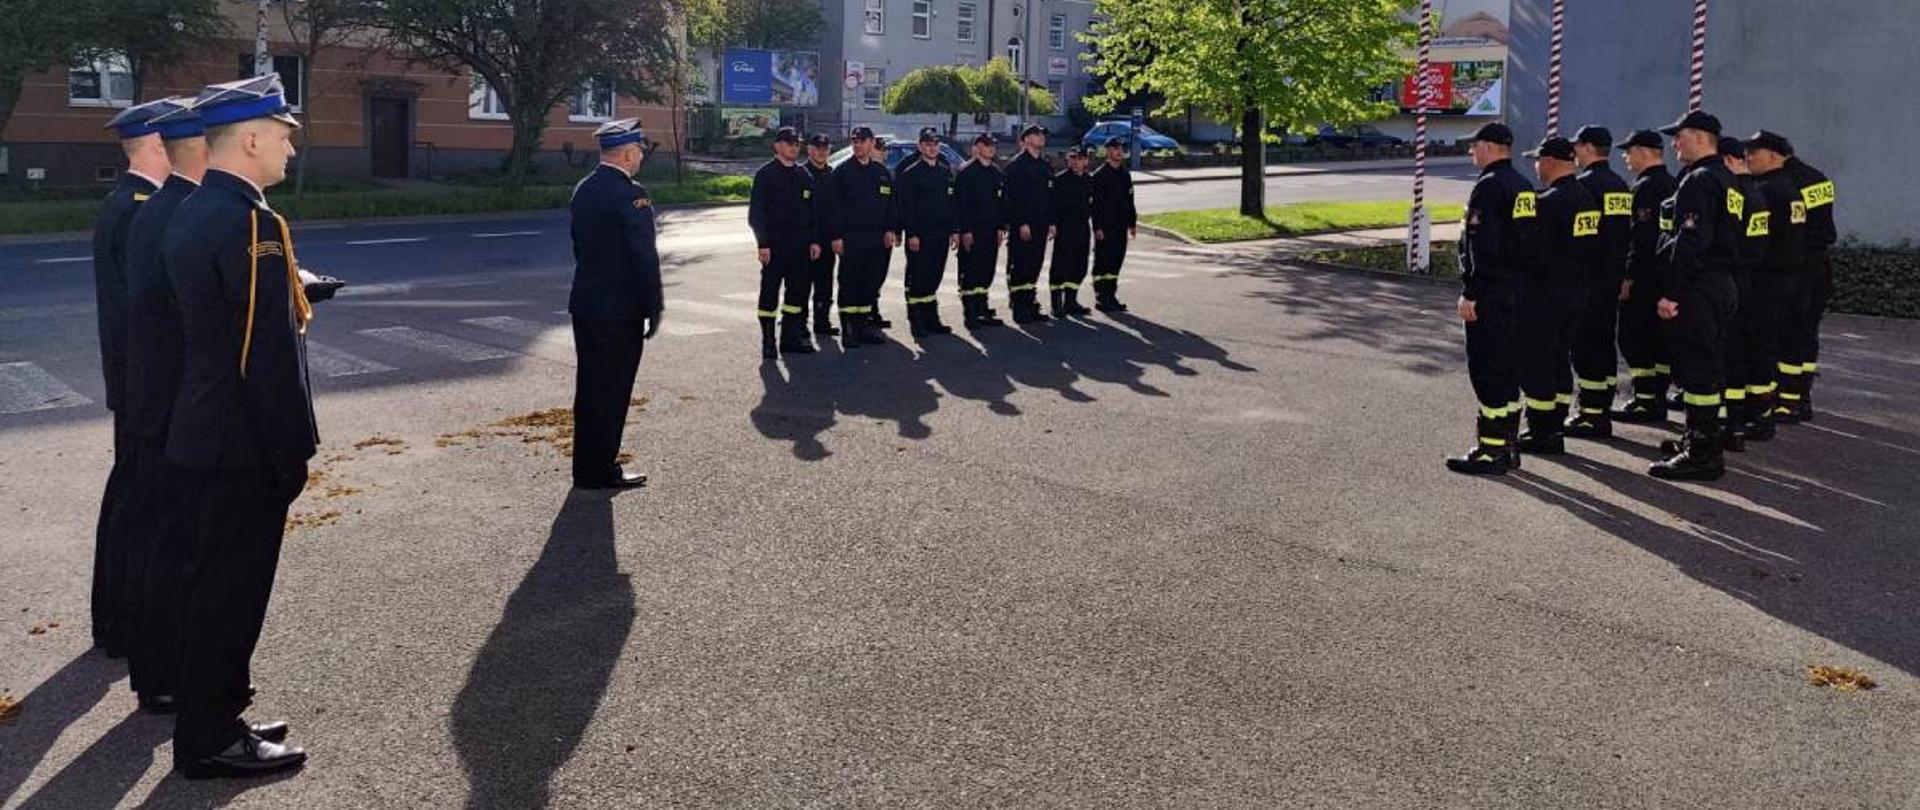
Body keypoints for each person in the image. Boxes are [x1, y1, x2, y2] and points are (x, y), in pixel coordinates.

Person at [160, 74, 312, 778]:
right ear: (250, 139)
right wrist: (291, 448)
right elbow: (265, 354)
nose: (289, 149)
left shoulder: (188, 210)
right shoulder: (253, 223)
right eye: (283, 136)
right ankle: (212, 738)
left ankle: (210, 715)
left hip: (198, 430)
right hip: (240, 444)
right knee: (230, 595)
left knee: (206, 589)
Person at [116, 97, 202, 715]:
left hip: (155, 398)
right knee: (172, 544)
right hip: (169, 406)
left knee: (160, 538)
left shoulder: (164, 208)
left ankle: (160, 670)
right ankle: (164, 675)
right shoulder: (171, 214)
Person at [88, 98, 173, 658]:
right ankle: (124, 622)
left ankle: (117, 620)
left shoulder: (127, 202)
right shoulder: (142, 207)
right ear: (158, 146)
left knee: (129, 497)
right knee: (140, 503)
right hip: (145, 383)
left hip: (132, 379)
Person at [567, 118, 662, 487]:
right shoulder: (631, 193)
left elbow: (580, 247)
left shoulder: (584, 189)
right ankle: (602, 469)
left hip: (587, 303)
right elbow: (644, 257)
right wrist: (653, 307)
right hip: (619, 311)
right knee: (613, 390)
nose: (640, 156)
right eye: (638, 150)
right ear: (625, 153)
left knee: (590, 388)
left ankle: (586, 468)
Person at [1649, 110, 1742, 481]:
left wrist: (1671, 293)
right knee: (1711, 366)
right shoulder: (1728, 179)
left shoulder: (1700, 180)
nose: (1674, 143)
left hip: (1700, 287)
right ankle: (1703, 441)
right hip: (1721, 284)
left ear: (1701, 137)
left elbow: (1691, 241)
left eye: (1679, 136)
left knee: (1698, 371)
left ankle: (1702, 456)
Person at [1446, 123, 1534, 475]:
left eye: (1474, 147)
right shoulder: (1523, 185)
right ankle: (1508, 447)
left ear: (1487, 147)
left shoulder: (1489, 187)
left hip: (1492, 293)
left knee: (1488, 369)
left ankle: (1491, 450)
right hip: (1517, 290)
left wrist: (1472, 292)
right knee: (1508, 368)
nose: (1471, 153)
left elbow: (1484, 247)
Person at [1515, 136, 1601, 455]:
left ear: (1548, 161)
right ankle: (1556, 423)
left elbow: (1529, 252)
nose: (1536, 166)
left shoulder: (1548, 203)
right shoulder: (1586, 198)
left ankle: (1541, 430)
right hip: (1576, 291)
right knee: (1559, 359)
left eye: (1537, 160)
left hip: (1545, 294)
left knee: (1537, 361)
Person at [1743, 131, 1835, 424]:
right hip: (1814, 263)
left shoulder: (1777, 184)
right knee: (1804, 331)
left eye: (1753, 154)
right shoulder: (1816, 177)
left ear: (1773, 154)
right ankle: (1798, 396)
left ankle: (1785, 398)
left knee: (1784, 332)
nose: (1748, 161)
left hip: (1792, 264)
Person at [1565, 125, 1634, 439]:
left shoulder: (1585, 186)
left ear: (1588, 148)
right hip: (1611, 276)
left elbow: (1580, 237)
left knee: (1586, 346)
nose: (1574, 153)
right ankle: (1600, 408)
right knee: (1604, 342)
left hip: (1588, 279)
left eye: (1577, 147)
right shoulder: (1619, 185)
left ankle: (1591, 415)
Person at [1613, 129, 1678, 424]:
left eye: (1629, 151)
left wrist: (1628, 276)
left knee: (1634, 336)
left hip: (1644, 278)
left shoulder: (1647, 187)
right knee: (1659, 340)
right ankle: (1656, 395)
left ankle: (1645, 399)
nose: (1626, 157)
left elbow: (1641, 238)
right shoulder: (1672, 182)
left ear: (1643, 151)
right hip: (1663, 275)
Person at [1716, 137, 1774, 448]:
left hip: (1733, 281)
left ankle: (1730, 424)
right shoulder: (1756, 193)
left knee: (1729, 356)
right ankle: (1745, 420)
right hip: (1751, 282)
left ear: (1726, 160)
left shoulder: (1735, 193)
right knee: (1745, 352)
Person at [747, 127, 822, 357]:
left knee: (797, 293)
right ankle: (768, 340)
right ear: (777, 146)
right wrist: (763, 243)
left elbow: (813, 212)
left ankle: (790, 338)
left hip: (800, 246)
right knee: (770, 292)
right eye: (789, 143)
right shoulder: (766, 174)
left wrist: (815, 241)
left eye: (796, 143)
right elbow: (756, 213)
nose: (793, 147)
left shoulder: (803, 175)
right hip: (775, 245)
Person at [828, 126, 896, 346]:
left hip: (876, 238)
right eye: (854, 141)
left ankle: (864, 326)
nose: (857, 145)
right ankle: (848, 328)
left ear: (872, 143)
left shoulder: (881, 172)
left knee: (870, 282)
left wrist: (890, 229)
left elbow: (891, 205)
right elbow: (834, 207)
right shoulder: (842, 172)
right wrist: (836, 236)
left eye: (862, 141)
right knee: (850, 282)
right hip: (851, 237)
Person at [893, 127, 959, 338]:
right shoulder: (911, 172)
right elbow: (907, 207)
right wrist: (911, 234)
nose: (932, 148)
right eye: (928, 144)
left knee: (934, 276)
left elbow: (951, 203)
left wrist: (954, 230)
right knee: (918, 277)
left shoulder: (943, 169)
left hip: (940, 233)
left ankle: (932, 318)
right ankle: (916, 320)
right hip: (920, 235)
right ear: (920, 146)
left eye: (935, 145)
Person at [1002, 124, 1056, 323]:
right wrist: (1021, 222)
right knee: (1021, 266)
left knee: (1035, 265)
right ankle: (1018, 307)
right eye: (1037, 134)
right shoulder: (1017, 166)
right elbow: (1013, 198)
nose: (1041, 137)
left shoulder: (1045, 165)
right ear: (1025, 140)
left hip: (1041, 224)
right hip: (1023, 225)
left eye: (1043, 134)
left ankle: (1030, 303)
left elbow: (1051, 196)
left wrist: (1052, 221)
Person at [954, 133, 1009, 329]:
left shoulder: (996, 173)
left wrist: (1001, 227)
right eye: (987, 145)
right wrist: (965, 230)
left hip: (990, 231)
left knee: (986, 271)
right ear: (977, 147)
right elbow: (961, 204)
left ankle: (982, 308)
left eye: (993, 145)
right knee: (970, 272)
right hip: (972, 232)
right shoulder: (967, 172)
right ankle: (970, 313)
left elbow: (1002, 203)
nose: (991, 149)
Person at [1088, 137, 1138, 312]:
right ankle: (1102, 297)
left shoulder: (1124, 174)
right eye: (1115, 148)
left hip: (1120, 226)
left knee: (1116, 261)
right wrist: (1097, 227)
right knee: (1104, 262)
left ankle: (1111, 295)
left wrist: (1132, 223)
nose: (1119, 151)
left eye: (1121, 148)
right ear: (1107, 151)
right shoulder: (1100, 175)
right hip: (1105, 227)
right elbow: (1095, 206)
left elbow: (1129, 200)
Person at [1049, 146, 1095, 318]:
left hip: (1082, 227)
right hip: (1065, 228)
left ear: (1086, 161)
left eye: (1080, 159)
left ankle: (1071, 301)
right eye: (1073, 158)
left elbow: (1093, 205)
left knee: (1079, 265)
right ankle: (1056, 304)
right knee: (1061, 265)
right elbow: (1053, 205)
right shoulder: (1060, 180)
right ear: (1068, 160)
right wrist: (1052, 224)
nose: (1076, 162)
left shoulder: (1089, 180)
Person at [802, 133, 839, 338]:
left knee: (825, 283)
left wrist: (836, 236)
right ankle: (800, 324)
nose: (821, 152)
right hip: (806, 240)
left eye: (825, 149)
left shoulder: (831, 175)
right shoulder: (800, 174)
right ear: (809, 150)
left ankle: (822, 321)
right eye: (817, 148)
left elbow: (836, 210)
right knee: (802, 284)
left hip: (826, 239)